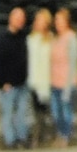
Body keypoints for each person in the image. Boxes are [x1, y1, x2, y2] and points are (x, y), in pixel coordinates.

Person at [0, 6, 33, 147]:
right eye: (17, 18)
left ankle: (22, 138)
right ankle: (10, 141)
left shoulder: (23, 38)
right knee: (8, 114)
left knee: (22, 113)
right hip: (8, 86)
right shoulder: (1, 39)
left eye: (22, 19)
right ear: (11, 19)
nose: (20, 21)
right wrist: (0, 83)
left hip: (23, 83)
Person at [50, 8, 77, 141]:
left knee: (66, 112)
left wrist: (68, 89)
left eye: (61, 20)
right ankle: (60, 133)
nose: (58, 23)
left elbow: (73, 64)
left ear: (67, 21)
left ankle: (65, 137)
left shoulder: (71, 37)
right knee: (56, 114)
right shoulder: (56, 38)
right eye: (56, 20)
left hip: (66, 84)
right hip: (54, 83)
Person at [27, 8, 55, 140]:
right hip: (32, 79)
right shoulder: (30, 39)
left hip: (46, 80)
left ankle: (42, 133)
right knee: (35, 109)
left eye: (42, 21)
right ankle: (37, 135)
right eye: (38, 20)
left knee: (44, 109)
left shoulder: (51, 39)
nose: (39, 23)